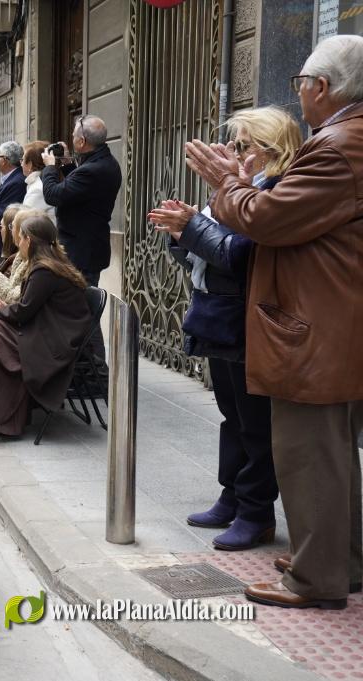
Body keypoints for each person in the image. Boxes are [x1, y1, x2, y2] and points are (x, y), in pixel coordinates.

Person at [185, 34, 363, 610]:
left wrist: (227, 183)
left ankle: (316, 579)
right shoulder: (344, 140)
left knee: (310, 456)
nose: (301, 94)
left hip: (318, 327)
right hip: (332, 321)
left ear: (322, 88)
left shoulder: (336, 145)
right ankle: (336, 560)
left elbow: (265, 219)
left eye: (301, 84)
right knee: (330, 452)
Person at [151, 107, 300, 552]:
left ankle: (256, 512)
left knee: (255, 423)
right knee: (232, 416)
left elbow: (238, 255)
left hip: (249, 318)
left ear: (272, 151)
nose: (232, 154)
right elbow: (204, 255)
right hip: (219, 315)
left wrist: (191, 227)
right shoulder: (238, 191)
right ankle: (232, 496)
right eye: (233, 145)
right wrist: (181, 232)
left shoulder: (273, 191)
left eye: (242, 146)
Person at [0, 214, 91, 437]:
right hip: (47, 333)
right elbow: (28, 306)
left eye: (20, 237)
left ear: (29, 239)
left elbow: (25, 310)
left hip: (53, 345)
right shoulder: (48, 265)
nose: (17, 242)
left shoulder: (44, 270)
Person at [40, 116, 121, 286]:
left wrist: (49, 166)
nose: (71, 136)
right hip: (87, 249)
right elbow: (79, 191)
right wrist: (67, 163)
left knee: (76, 307)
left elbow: (53, 195)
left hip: (80, 253)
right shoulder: (105, 162)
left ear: (82, 141)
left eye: (74, 134)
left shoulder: (92, 170)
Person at [20, 141, 55, 222]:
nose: (21, 164)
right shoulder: (42, 182)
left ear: (30, 164)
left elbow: (26, 222)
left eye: (22, 159)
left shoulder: (37, 188)